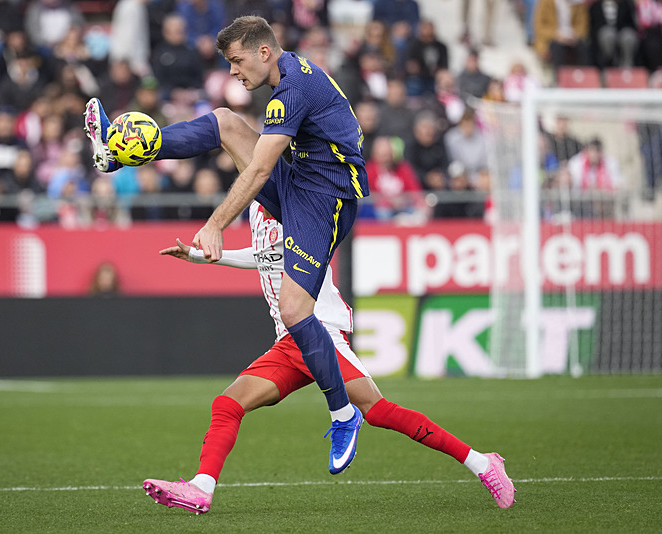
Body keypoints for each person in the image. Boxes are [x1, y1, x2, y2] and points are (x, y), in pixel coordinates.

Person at [85, 16, 369, 477]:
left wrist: (215, 225)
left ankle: (343, 416)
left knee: (295, 311)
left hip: (327, 200)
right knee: (224, 122)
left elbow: (257, 173)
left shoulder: (292, 90)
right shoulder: (289, 76)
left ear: (263, 53)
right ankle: (118, 151)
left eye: (236, 61)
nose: (233, 72)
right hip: (301, 185)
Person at [141, 200, 516, 514]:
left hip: (319, 330)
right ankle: (201, 488)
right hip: (288, 341)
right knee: (227, 403)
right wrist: (201, 257)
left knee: (379, 411)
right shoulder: (256, 206)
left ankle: (483, 463)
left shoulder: (296, 200)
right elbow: (264, 256)